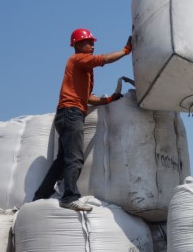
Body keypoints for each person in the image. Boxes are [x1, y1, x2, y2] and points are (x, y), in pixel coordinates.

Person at [33, 28, 132, 211]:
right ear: (78, 45)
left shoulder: (83, 69)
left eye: (93, 42)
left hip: (66, 114)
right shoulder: (78, 59)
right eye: (89, 42)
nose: (93, 45)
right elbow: (103, 60)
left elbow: (87, 97)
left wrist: (109, 100)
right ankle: (69, 197)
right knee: (75, 158)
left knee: (62, 160)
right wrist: (125, 51)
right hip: (72, 114)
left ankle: (40, 196)